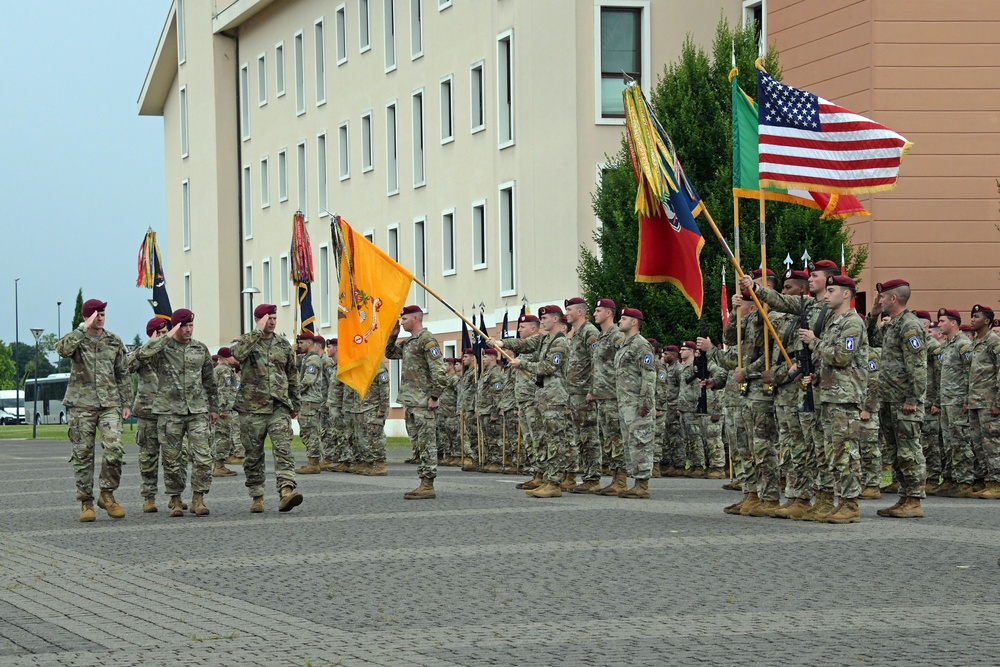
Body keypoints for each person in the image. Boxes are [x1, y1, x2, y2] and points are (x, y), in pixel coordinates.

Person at [134, 308, 219, 517]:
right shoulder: (163, 349)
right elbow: (139, 356)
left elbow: (209, 380)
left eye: (191, 325)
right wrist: (164, 339)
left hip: (197, 410)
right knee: (172, 459)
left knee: (203, 456)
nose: (188, 330)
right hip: (169, 411)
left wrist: (214, 407)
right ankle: (175, 498)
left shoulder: (200, 349)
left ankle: (198, 498)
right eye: (184, 326)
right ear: (175, 327)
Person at [56, 299, 132, 522]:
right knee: (82, 454)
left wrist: (126, 403)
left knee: (114, 447)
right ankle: (86, 501)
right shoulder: (78, 339)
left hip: (109, 404)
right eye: (96, 314)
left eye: (103, 314)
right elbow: (61, 349)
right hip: (82, 405)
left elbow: (123, 374)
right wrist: (82, 328)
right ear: (87, 316)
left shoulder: (113, 340)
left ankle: (107, 494)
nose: (100, 318)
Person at [800, 275, 868, 523]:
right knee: (833, 452)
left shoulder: (852, 323)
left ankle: (850, 504)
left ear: (846, 294)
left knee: (845, 451)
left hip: (845, 398)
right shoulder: (833, 322)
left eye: (831, 290)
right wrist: (817, 376)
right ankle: (839, 500)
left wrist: (814, 342)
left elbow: (842, 357)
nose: (826, 295)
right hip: (829, 395)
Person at [493, 305, 571, 498]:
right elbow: (524, 344)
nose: (542, 321)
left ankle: (554, 483)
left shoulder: (560, 342)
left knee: (555, 441)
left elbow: (549, 367)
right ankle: (547, 479)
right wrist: (501, 343)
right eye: (541, 319)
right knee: (546, 439)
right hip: (543, 397)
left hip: (555, 397)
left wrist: (523, 364)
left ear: (555, 319)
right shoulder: (544, 339)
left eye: (544, 319)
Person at [231, 304, 303, 513]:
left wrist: (295, 402)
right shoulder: (245, 341)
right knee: (253, 455)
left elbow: (291, 375)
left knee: (283, 448)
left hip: (278, 406)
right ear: (258, 319)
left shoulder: (282, 344)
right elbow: (238, 354)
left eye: (274, 318)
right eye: (268, 318)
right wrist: (256, 332)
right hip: (251, 408)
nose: (272, 322)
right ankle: (257, 495)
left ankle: (286, 491)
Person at [866, 280, 927, 518]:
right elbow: (870, 340)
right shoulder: (891, 326)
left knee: (909, 450)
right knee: (895, 451)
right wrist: (872, 315)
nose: (879, 300)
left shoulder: (910, 326)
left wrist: (912, 398)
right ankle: (904, 496)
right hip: (889, 399)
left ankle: (914, 498)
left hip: (905, 402)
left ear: (893, 298)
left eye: (882, 297)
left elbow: (918, 367)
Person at [385, 305, 449, 499]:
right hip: (411, 401)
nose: (401, 322)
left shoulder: (426, 340)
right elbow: (390, 353)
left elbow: (439, 372)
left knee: (427, 443)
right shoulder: (410, 342)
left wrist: (434, 396)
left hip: (423, 402)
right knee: (418, 444)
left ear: (415, 318)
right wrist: (393, 334)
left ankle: (428, 484)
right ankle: (423, 482)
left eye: (404, 319)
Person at [613, 308, 657, 498]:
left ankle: (642, 484)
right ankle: (635, 481)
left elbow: (649, 375)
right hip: (625, 403)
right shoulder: (624, 345)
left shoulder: (642, 345)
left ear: (634, 322)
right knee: (630, 443)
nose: (619, 321)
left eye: (623, 318)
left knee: (641, 442)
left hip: (637, 404)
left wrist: (645, 403)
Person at [128, 317, 169, 513]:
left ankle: (174, 496)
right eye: (159, 334)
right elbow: (125, 367)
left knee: (175, 457)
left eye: (165, 333)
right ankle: (149, 496)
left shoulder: (171, 353)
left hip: (171, 413)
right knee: (148, 457)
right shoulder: (143, 355)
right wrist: (148, 347)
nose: (163, 337)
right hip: (148, 412)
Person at [587, 299, 627, 495]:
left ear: (609, 313)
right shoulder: (601, 337)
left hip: (613, 395)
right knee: (609, 439)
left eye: (598, 310)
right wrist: (593, 390)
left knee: (617, 438)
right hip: (601, 395)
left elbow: (623, 365)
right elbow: (598, 368)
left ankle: (621, 479)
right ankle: (614, 477)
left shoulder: (617, 336)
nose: (595, 313)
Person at [934, 308, 975, 496]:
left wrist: (968, 398)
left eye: (942, 321)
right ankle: (950, 477)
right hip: (946, 401)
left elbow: (971, 373)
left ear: (953, 322)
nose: (939, 324)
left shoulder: (963, 344)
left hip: (959, 401)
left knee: (960, 441)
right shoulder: (945, 345)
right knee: (948, 442)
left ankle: (965, 481)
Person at [563, 297, 600, 492]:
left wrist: (593, 390)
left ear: (580, 312)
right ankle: (587, 475)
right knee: (579, 436)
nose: (566, 313)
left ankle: (593, 478)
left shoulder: (589, 332)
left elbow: (597, 362)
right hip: (574, 393)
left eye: (569, 310)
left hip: (585, 393)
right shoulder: (575, 333)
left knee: (589, 436)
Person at [965, 304, 1000, 499]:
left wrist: (998, 402)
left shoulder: (994, 342)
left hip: (989, 402)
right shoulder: (975, 343)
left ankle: (997, 482)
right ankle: (984, 480)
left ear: (987, 321)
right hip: (975, 401)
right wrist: (967, 400)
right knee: (977, 444)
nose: (972, 319)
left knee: (992, 443)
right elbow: (971, 374)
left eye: (976, 316)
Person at [344, 358, 391, 475]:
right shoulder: (361, 365)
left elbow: (384, 389)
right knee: (362, 437)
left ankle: (380, 465)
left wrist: (383, 408)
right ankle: (367, 462)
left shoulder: (377, 366)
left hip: (374, 408)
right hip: (361, 407)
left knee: (375, 437)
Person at [295, 331, 329, 475]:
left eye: (301, 343)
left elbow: (308, 380)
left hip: (310, 400)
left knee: (310, 433)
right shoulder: (307, 358)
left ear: (309, 343)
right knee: (306, 432)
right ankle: (312, 461)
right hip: (306, 400)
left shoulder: (313, 360)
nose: (299, 345)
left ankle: (314, 463)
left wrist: (293, 392)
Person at [212, 347, 239, 477]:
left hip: (218, 408)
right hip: (223, 410)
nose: (235, 358)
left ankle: (219, 465)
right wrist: (223, 409)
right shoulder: (224, 370)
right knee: (222, 437)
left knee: (220, 436)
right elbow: (223, 390)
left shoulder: (217, 369)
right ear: (227, 357)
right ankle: (219, 466)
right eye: (232, 356)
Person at [476, 348, 505, 473]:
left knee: (494, 437)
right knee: (487, 437)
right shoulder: (486, 373)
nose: (483, 359)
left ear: (493, 357)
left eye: (485, 357)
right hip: (484, 410)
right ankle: (490, 460)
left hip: (491, 411)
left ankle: (496, 462)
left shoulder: (495, 373)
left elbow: (497, 394)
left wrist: (494, 412)